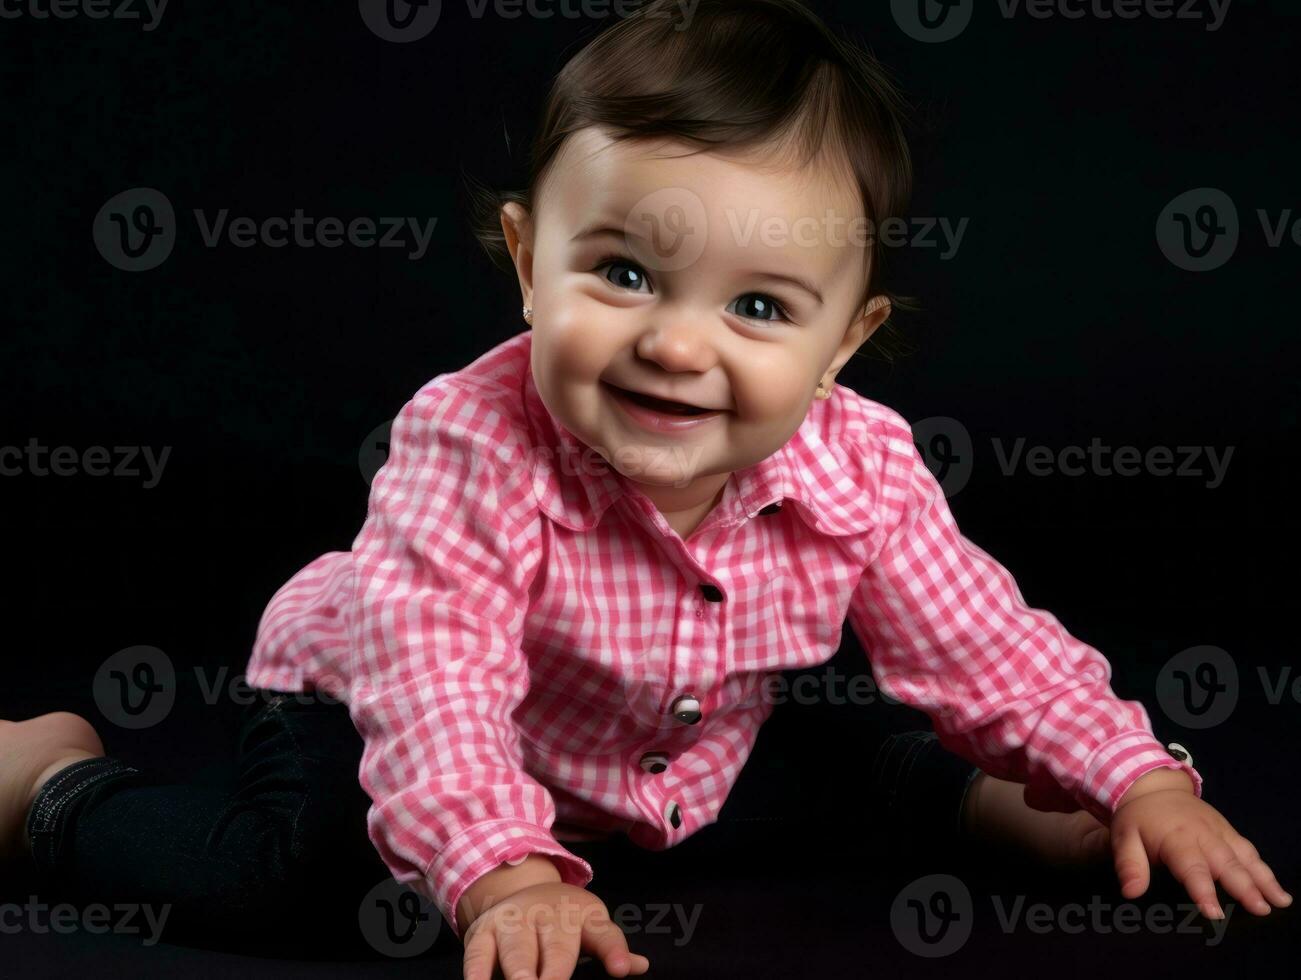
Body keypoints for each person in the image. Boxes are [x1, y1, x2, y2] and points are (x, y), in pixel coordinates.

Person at [1, 1, 1290, 977]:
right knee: (289, 887)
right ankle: (49, 788)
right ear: (525, 258)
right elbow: (435, 681)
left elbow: (987, 645)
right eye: (621, 274)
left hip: (662, 750)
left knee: (825, 775)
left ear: (842, 344)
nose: (677, 344)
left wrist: (1139, 777)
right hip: (371, 707)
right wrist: (503, 875)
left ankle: (1012, 806)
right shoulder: (469, 442)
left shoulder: (860, 460)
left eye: (758, 306)